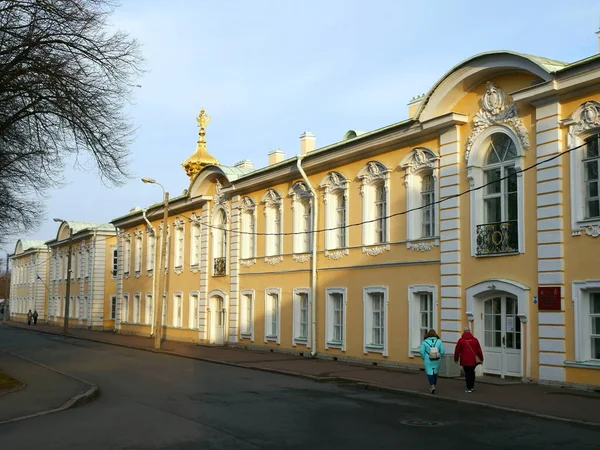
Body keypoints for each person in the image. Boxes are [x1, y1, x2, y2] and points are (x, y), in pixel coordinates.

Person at [454, 327, 484, 393]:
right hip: (473, 360)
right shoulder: (475, 340)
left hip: (464, 360)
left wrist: (456, 358)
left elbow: (457, 350)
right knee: (472, 372)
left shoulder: (461, 340)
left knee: (467, 373)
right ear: (470, 331)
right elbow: (479, 350)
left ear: (464, 332)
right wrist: (481, 358)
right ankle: (472, 386)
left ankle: (468, 387)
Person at [419, 329, 445, 394]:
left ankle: (432, 385)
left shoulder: (425, 342)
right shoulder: (439, 341)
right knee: (435, 372)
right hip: (437, 359)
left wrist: (424, 358)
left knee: (430, 373)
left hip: (428, 359)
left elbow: (421, 352)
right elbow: (442, 351)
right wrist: (439, 356)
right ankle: (434, 385)